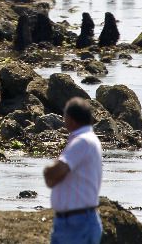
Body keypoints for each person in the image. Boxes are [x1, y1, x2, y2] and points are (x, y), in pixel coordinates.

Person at [43, 98, 103, 244]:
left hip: (77, 223)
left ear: (71, 119)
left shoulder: (82, 141)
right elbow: (55, 179)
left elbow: (56, 171)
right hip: (73, 221)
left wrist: (47, 171)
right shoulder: (87, 139)